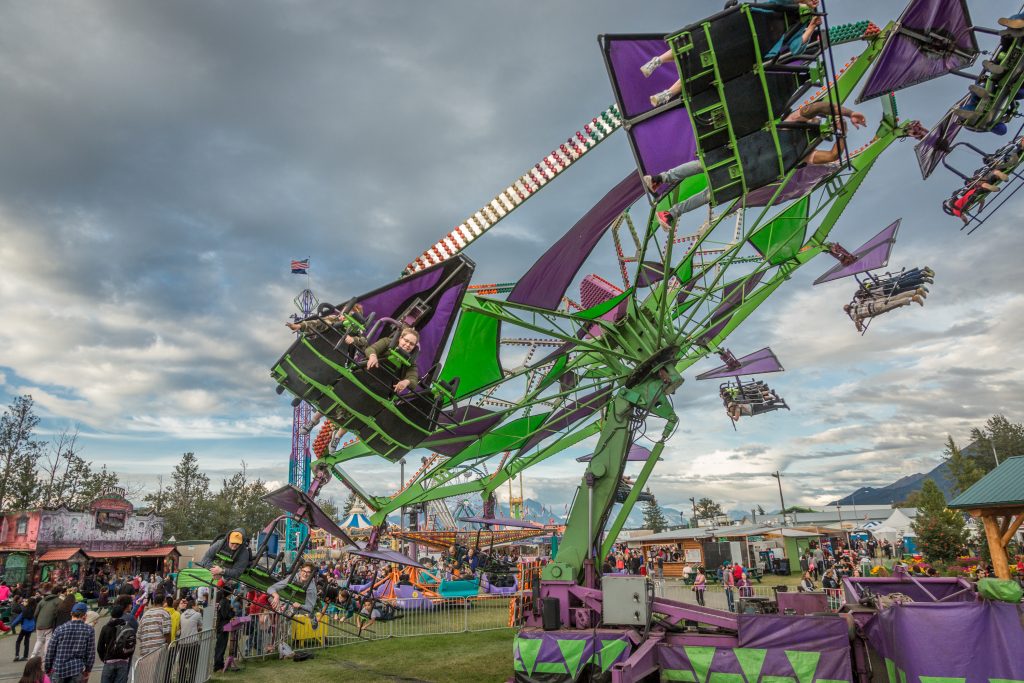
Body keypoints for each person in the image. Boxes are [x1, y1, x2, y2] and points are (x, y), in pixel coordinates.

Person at [645, 103, 866, 228]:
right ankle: (661, 184)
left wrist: (842, 133)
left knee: (707, 184)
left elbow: (831, 156)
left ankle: (667, 202)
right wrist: (846, 116)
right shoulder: (795, 121)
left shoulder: (806, 151)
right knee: (704, 171)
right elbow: (821, 107)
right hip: (747, 158)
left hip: (749, 171)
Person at [642, 0, 822, 107]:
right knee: (698, 45)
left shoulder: (802, 22)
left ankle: (668, 94)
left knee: (707, 69)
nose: (816, 2)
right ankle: (658, 60)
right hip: (744, 26)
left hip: (754, 47)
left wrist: (811, 25)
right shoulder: (787, 3)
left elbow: (796, 48)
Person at [44, 602, 95, 683]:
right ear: (85, 615)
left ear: (71, 613)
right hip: (77, 669)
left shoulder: (60, 629)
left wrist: (47, 668)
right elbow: (90, 653)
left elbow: (50, 651)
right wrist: (88, 670)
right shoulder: (89, 630)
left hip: (59, 668)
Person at [96, 604, 134, 683]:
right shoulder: (127, 626)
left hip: (109, 660)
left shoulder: (106, 628)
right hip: (123, 661)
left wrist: (104, 658)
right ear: (122, 614)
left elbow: (100, 647)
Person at [135, 593, 171, 661]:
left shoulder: (145, 614)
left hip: (145, 652)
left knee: (147, 671)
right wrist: (170, 645)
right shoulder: (164, 613)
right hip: (158, 651)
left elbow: (139, 634)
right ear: (164, 602)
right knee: (158, 671)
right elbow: (167, 632)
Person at [31, 586, 60, 660]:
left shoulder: (42, 601)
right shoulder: (58, 601)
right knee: (48, 640)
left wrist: (37, 621)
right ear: (59, 593)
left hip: (39, 624)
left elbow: (35, 614)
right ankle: (45, 657)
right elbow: (57, 614)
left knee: (39, 640)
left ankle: (33, 656)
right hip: (49, 624)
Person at [12, 597, 37, 662]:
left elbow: (18, 619)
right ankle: (25, 656)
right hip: (31, 627)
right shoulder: (35, 610)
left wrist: (12, 625)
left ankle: (17, 655)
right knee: (27, 641)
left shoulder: (25, 610)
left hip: (24, 627)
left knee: (18, 641)